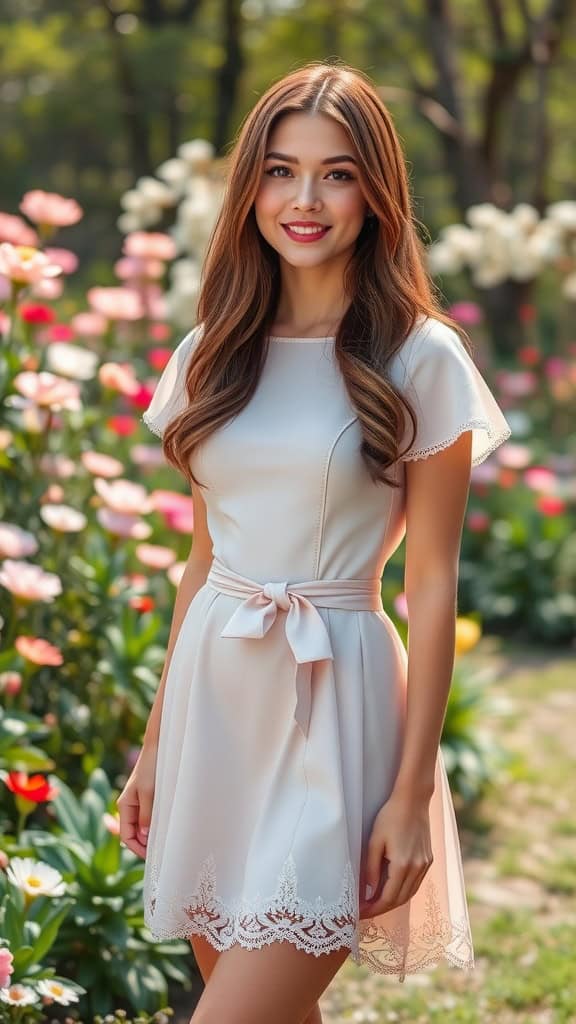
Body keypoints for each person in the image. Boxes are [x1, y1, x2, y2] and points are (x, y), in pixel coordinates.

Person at [117, 60, 511, 1024]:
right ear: (249, 183)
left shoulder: (422, 357)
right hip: (217, 704)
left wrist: (412, 795)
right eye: (281, 170)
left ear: (376, 192)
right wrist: (157, 745)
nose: (305, 199)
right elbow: (201, 565)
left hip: (335, 707)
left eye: (336, 173)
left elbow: (430, 583)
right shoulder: (213, 346)